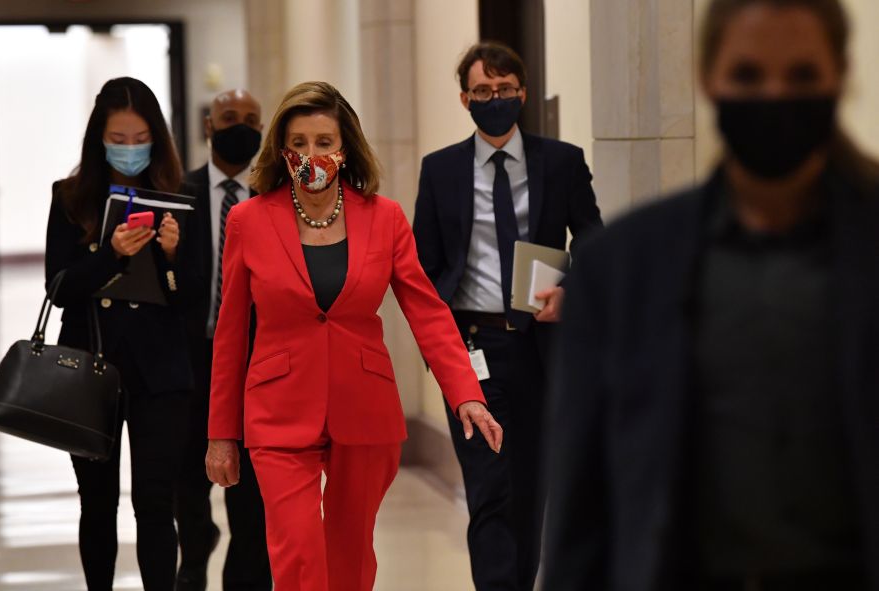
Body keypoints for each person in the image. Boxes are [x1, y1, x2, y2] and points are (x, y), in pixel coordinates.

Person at [544, 1, 879, 590]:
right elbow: (583, 504)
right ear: (709, 79)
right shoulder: (621, 270)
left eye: (801, 76)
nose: (775, 96)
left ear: (839, 77)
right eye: (748, 75)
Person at [204, 81, 504, 591]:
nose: (311, 155)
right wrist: (221, 435)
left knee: (350, 559)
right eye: (299, 143)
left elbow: (427, 312)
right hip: (277, 409)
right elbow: (231, 333)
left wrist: (465, 395)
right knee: (298, 554)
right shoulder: (248, 221)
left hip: (364, 406)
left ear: (344, 149)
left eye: (324, 142)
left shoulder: (383, 218)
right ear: (282, 149)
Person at [411, 41, 601, 590]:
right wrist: (436, 345)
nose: (495, 99)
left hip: (541, 347)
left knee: (530, 488)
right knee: (489, 488)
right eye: (483, 91)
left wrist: (571, 288)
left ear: (522, 93)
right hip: (471, 349)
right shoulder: (441, 170)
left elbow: (591, 235)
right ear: (465, 98)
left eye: (504, 90)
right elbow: (423, 266)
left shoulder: (560, 162)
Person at [45, 77, 204, 590]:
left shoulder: (181, 195)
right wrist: (109, 253)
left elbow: (193, 297)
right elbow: (61, 288)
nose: (130, 149)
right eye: (120, 137)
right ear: (99, 137)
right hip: (91, 367)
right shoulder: (70, 198)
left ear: (157, 137)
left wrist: (174, 256)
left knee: (157, 500)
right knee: (97, 502)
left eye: (141, 138)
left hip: (161, 370)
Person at [176, 89, 271, 591]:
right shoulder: (177, 191)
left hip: (258, 365)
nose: (242, 127)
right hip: (190, 361)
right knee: (187, 480)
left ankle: (246, 579)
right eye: (230, 118)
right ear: (209, 125)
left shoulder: (275, 197)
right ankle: (194, 556)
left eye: (252, 120)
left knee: (253, 495)